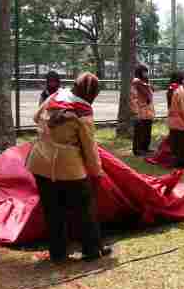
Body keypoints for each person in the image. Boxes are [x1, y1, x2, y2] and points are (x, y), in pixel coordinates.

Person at [29, 72, 111, 263]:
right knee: (84, 209)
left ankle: (58, 254)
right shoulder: (83, 111)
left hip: (40, 161)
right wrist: (96, 171)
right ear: (92, 94)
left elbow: (35, 117)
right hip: (69, 166)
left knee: (52, 210)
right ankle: (91, 250)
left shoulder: (54, 96)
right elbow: (89, 147)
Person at [130, 64, 155, 157]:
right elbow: (133, 98)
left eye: (146, 71)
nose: (145, 74)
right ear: (139, 72)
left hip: (148, 111)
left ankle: (145, 148)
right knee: (139, 132)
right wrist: (135, 111)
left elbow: (150, 96)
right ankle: (137, 150)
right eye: (144, 72)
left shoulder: (146, 82)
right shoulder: (136, 82)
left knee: (147, 131)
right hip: (140, 111)